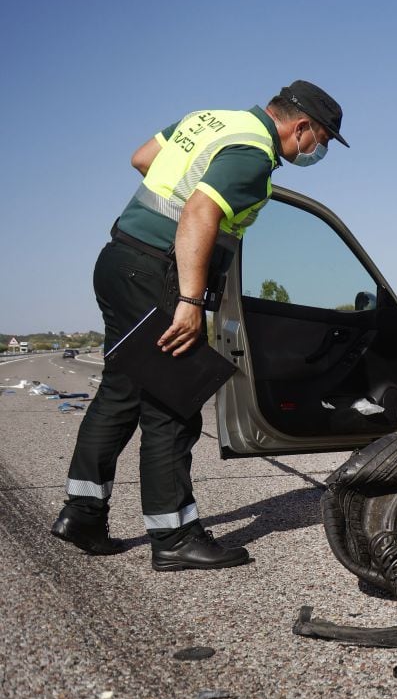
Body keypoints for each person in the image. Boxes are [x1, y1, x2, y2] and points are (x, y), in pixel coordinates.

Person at [51, 81, 349, 571]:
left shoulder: (209, 119)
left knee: (120, 393)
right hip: (159, 275)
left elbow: (143, 159)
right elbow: (200, 210)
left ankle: (83, 513)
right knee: (172, 405)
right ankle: (173, 537)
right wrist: (190, 299)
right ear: (301, 127)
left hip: (120, 260)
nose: (317, 150)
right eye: (320, 139)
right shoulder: (253, 153)